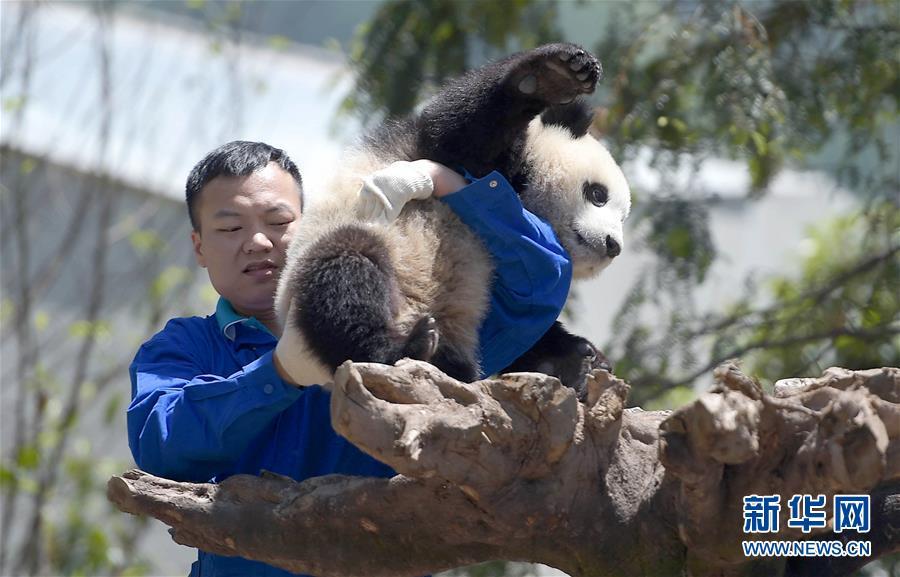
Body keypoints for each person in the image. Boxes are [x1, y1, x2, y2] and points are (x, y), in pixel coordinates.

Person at [127, 140, 571, 576]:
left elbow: (537, 288)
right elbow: (161, 446)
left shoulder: (409, 317)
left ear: (310, 222)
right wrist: (279, 373)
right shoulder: (181, 348)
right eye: (229, 228)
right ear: (199, 247)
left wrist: (447, 183)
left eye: (278, 220)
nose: (258, 241)